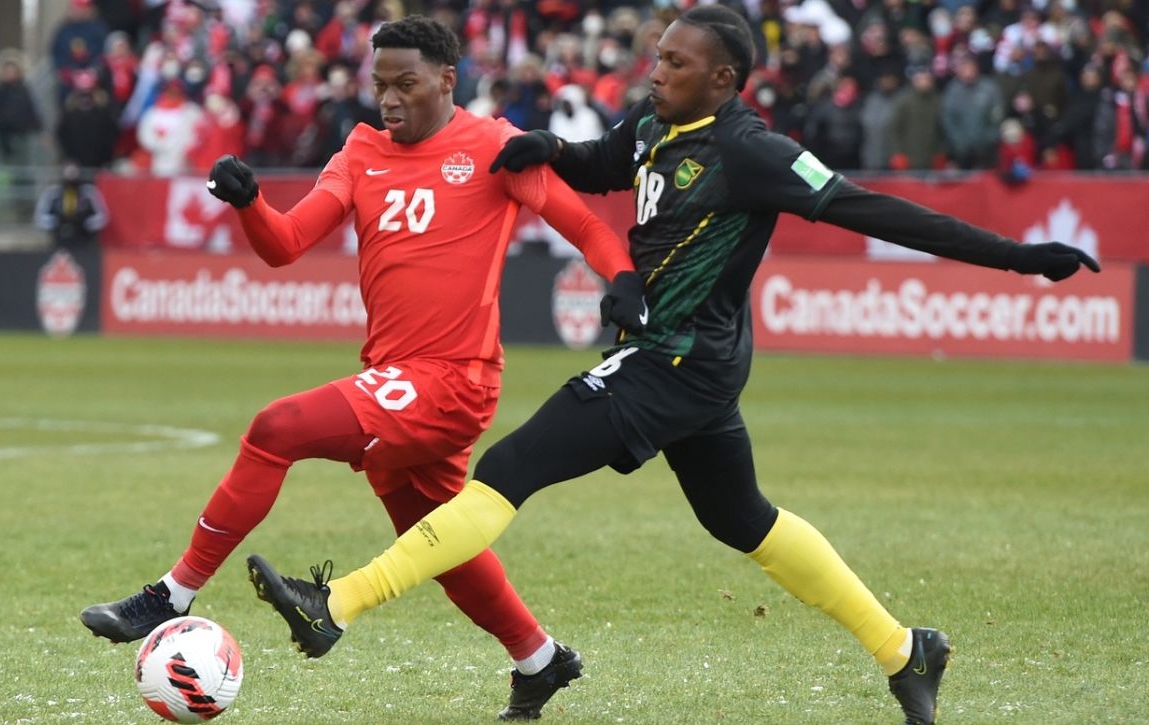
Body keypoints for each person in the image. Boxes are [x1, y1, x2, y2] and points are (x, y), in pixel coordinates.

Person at [243, 6, 1100, 724]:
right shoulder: (656, 126)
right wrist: (542, 145)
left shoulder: (752, 150)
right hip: (688, 365)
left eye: (677, 64)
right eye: (656, 59)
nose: (655, 73)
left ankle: (338, 604)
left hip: (679, 361)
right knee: (744, 521)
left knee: (509, 467)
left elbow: (874, 211)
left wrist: (1021, 258)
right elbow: (598, 167)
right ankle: (908, 649)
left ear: (725, 80)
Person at [80, 15, 642, 721]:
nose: (389, 99)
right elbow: (286, 244)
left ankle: (173, 592)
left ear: (447, 79)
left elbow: (587, 225)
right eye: (380, 84)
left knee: (275, 427)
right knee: (438, 536)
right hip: (399, 377)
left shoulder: (494, 144)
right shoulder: (361, 151)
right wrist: (252, 203)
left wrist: (621, 279)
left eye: (405, 83)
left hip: (454, 378)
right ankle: (539, 658)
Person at [34, 163, 110, 248]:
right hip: (59, 239)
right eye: (68, 173)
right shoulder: (53, 193)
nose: (71, 176)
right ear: (62, 173)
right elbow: (39, 217)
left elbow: (103, 216)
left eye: (73, 172)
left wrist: (87, 223)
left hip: (84, 239)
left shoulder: (89, 192)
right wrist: (56, 221)